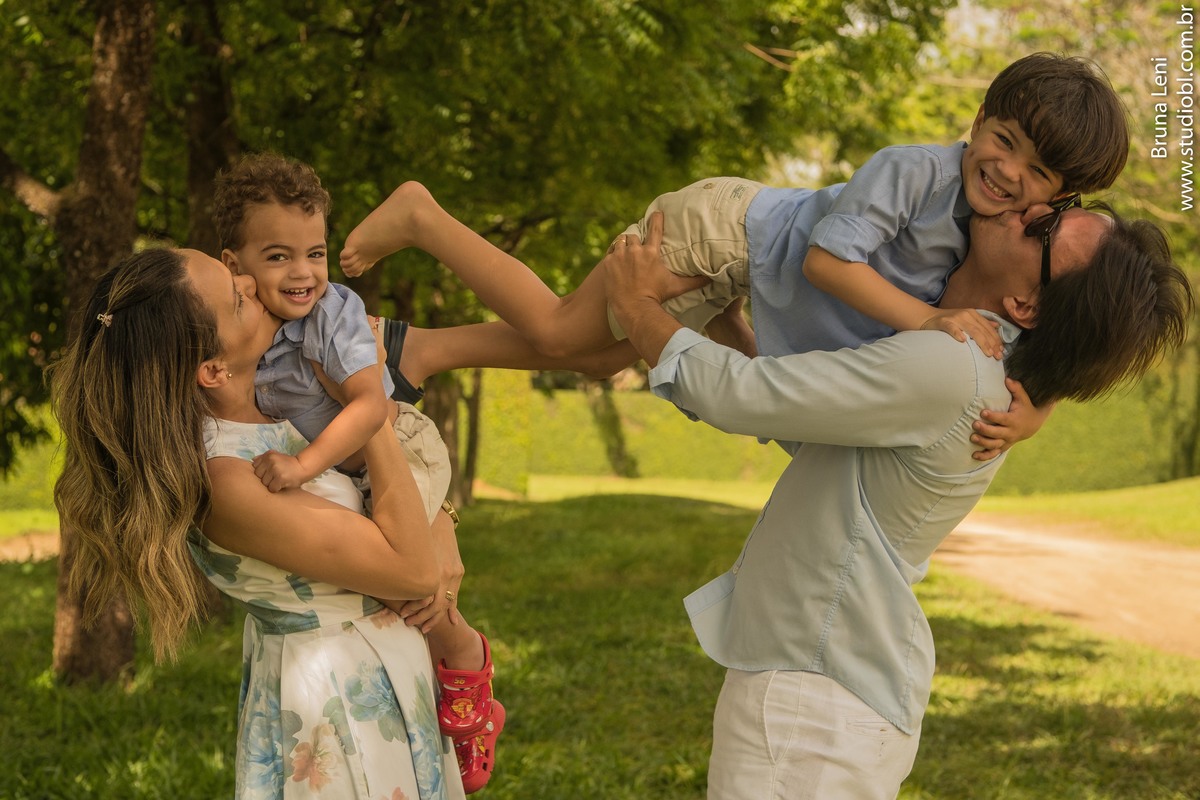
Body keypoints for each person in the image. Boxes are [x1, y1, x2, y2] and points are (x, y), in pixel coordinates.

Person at [600, 206, 1193, 799]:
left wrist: (635, 307)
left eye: (1044, 229)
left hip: (812, 706)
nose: (1030, 206)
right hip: (831, 698)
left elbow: (743, 397)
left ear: (1027, 307)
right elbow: (811, 429)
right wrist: (727, 320)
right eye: (1060, 207)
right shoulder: (984, 372)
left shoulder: (952, 366)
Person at [339, 53, 1127, 442]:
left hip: (750, 265)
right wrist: (924, 323)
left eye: (1037, 172)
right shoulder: (913, 175)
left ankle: (421, 351)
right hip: (723, 231)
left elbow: (1059, 331)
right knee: (561, 335)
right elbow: (827, 263)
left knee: (601, 355)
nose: (1007, 173)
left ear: (1058, 195)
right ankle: (422, 218)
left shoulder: (1005, 233)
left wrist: (1038, 415)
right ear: (980, 116)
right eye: (1002, 139)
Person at [50, 247, 466, 799]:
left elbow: (394, 509)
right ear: (213, 369)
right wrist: (367, 394)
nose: (251, 281)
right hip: (338, 707)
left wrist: (442, 520)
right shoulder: (227, 481)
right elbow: (412, 574)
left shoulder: (276, 413)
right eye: (235, 296)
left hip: (380, 671)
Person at [212, 153, 505, 793]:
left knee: (413, 577)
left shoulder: (332, 314)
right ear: (234, 268)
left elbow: (371, 406)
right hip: (353, 471)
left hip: (397, 439)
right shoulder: (243, 341)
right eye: (278, 256)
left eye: (315, 253)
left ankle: (462, 650)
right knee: (398, 574)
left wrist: (302, 466)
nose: (302, 273)